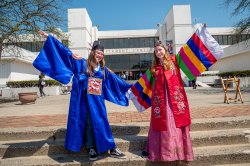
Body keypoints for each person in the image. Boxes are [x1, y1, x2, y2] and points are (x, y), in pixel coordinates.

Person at [34, 30, 131, 160]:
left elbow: (116, 81)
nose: (100, 55)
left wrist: (132, 89)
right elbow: (65, 53)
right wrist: (49, 37)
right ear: (93, 52)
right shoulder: (83, 62)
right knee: (89, 123)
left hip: (98, 101)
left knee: (102, 122)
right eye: (98, 52)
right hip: (84, 100)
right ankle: (91, 148)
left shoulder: (103, 70)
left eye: (102, 53)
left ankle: (111, 147)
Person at [130, 41, 194, 163]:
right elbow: (144, 83)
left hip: (174, 99)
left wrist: (199, 36)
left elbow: (187, 52)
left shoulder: (175, 61)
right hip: (160, 100)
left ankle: (179, 151)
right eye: (156, 51)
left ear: (165, 50)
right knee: (159, 122)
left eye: (160, 49)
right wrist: (131, 92)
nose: (158, 52)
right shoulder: (153, 68)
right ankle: (155, 150)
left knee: (175, 123)